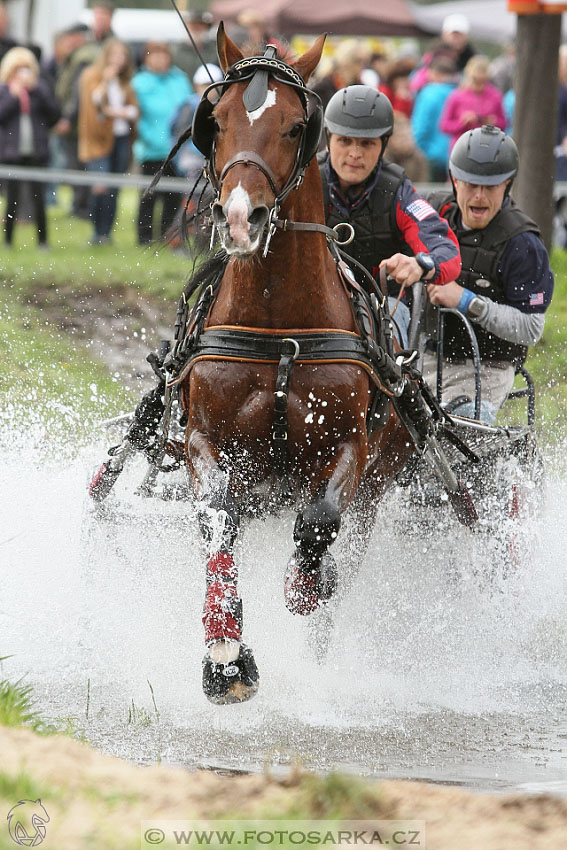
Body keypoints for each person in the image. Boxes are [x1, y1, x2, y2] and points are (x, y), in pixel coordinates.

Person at [423, 125, 554, 423]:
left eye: (490, 187)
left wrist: (467, 300)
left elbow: (532, 329)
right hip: (428, 359)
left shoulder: (522, 243)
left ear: (507, 185)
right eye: (470, 184)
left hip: (489, 368)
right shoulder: (434, 213)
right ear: (454, 180)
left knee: (460, 432)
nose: (479, 197)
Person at [319, 84, 461, 346]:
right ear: (328, 140)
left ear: (383, 145)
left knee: (390, 334)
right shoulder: (303, 183)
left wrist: (420, 264)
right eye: (345, 140)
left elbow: (447, 251)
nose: (354, 153)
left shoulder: (398, 192)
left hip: (383, 307)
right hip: (312, 302)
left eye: (366, 143)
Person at [78, 37, 138, 245]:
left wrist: (115, 112)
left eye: (122, 56)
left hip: (120, 139)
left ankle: (106, 233)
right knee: (100, 186)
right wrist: (105, 81)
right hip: (97, 139)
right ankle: (96, 230)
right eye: (114, 55)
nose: (118, 60)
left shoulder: (125, 82)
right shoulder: (90, 76)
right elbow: (94, 101)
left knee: (114, 187)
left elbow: (133, 110)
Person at [132, 42, 192, 245]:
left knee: (173, 197)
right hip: (151, 150)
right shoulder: (139, 82)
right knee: (149, 196)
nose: (159, 59)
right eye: (153, 55)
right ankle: (145, 239)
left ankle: (168, 236)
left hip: (177, 151)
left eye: (162, 54)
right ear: (147, 58)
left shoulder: (180, 80)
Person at [0, 46, 61, 248]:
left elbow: (54, 115)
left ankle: (43, 241)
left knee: (38, 199)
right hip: (12, 152)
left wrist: (37, 91)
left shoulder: (39, 89)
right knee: (12, 200)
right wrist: (13, 96)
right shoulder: (4, 91)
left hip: (36, 151)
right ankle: (8, 241)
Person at [440, 55, 506, 152]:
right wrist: (463, 122)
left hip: (488, 148)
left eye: (483, 81)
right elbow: (444, 125)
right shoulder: (456, 96)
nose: (479, 86)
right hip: (462, 149)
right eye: (476, 81)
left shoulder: (495, 95)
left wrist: (492, 122)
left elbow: (504, 123)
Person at [411, 54, 457, 182]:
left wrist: (419, 151)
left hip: (431, 157)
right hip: (455, 156)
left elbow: (421, 127)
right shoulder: (460, 93)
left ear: (434, 73)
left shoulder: (428, 93)